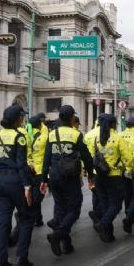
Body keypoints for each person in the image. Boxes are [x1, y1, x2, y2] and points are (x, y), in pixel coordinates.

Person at [40, 105, 94, 256]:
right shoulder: (76, 134)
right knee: (74, 210)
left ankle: (66, 244)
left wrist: (44, 179)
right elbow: (87, 157)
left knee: (61, 207)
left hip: (54, 176)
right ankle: (57, 236)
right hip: (69, 176)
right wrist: (91, 175)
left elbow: (46, 158)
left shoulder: (52, 134)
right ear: (71, 118)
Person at [0, 105, 34, 266]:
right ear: (17, 119)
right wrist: (27, 186)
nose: (23, 120)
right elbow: (22, 164)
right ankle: (22, 258)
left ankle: (1, 262)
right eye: (22, 117)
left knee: (3, 223)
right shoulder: (20, 137)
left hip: (0, 181)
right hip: (15, 180)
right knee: (26, 218)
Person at [87, 113, 134, 242]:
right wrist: (132, 167)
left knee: (105, 204)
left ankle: (108, 235)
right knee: (116, 205)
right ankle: (102, 225)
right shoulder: (117, 138)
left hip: (98, 176)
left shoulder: (95, 138)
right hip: (114, 176)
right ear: (113, 124)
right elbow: (129, 158)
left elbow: (91, 156)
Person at [27, 115, 48, 228]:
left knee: (33, 193)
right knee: (38, 196)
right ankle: (26, 215)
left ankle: (38, 219)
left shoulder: (26, 136)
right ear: (40, 125)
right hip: (40, 171)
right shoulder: (44, 137)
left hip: (29, 170)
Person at [119, 117, 134, 211]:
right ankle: (132, 212)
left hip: (123, 166)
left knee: (127, 191)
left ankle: (127, 210)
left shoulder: (119, 135)